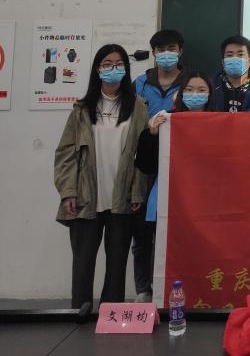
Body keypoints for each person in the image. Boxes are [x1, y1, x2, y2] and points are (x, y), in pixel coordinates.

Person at [54, 44, 149, 310]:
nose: (113, 69)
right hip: (86, 198)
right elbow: (65, 154)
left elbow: (143, 155)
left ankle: (111, 315)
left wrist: (138, 192)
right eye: (107, 64)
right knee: (82, 263)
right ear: (97, 69)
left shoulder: (138, 107)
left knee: (117, 264)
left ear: (126, 69)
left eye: (119, 64)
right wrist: (68, 191)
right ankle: (79, 313)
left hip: (122, 199)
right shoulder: (82, 109)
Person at [130, 28, 187, 302]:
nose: (166, 54)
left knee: (179, 234)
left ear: (180, 52)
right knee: (142, 234)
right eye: (161, 50)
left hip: (182, 168)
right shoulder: (140, 84)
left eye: (171, 49)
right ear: (153, 53)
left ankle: (176, 292)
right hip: (146, 166)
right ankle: (143, 291)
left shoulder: (191, 83)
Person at [136, 72, 216, 199]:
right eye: (189, 90)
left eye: (201, 90)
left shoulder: (218, 123)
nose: (195, 94)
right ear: (181, 93)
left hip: (205, 194)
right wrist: (152, 135)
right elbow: (146, 166)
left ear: (210, 94)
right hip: (170, 194)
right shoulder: (166, 119)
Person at [212, 36, 250, 112]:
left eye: (240, 54)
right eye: (229, 55)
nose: (235, 58)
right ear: (223, 61)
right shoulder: (213, 84)